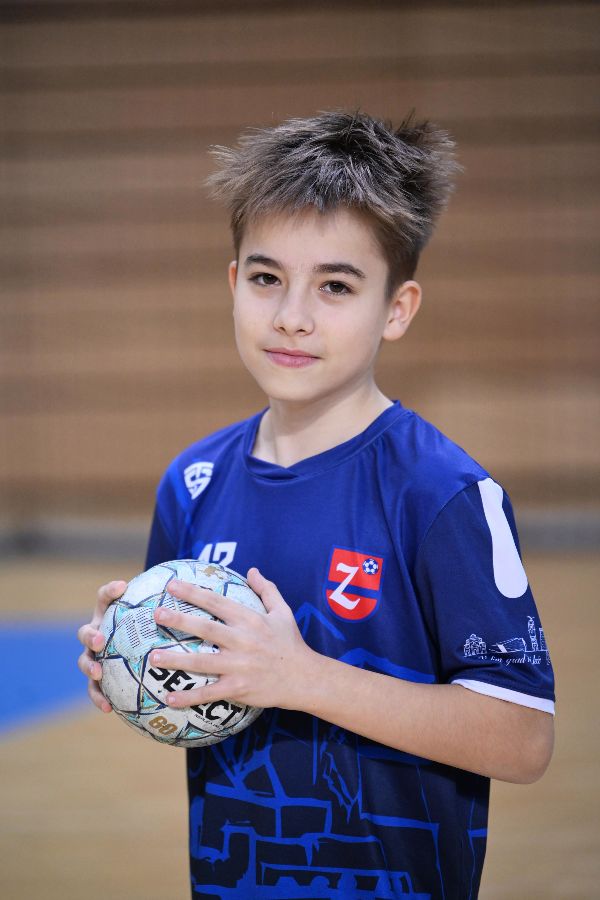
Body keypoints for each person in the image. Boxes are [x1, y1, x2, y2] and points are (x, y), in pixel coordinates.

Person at [77, 111, 555, 899]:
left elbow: (524, 738)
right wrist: (140, 669)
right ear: (233, 283)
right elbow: (210, 708)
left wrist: (300, 678)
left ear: (397, 309)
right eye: (266, 278)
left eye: (335, 286)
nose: (291, 316)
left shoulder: (441, 493)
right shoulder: (191, 481)